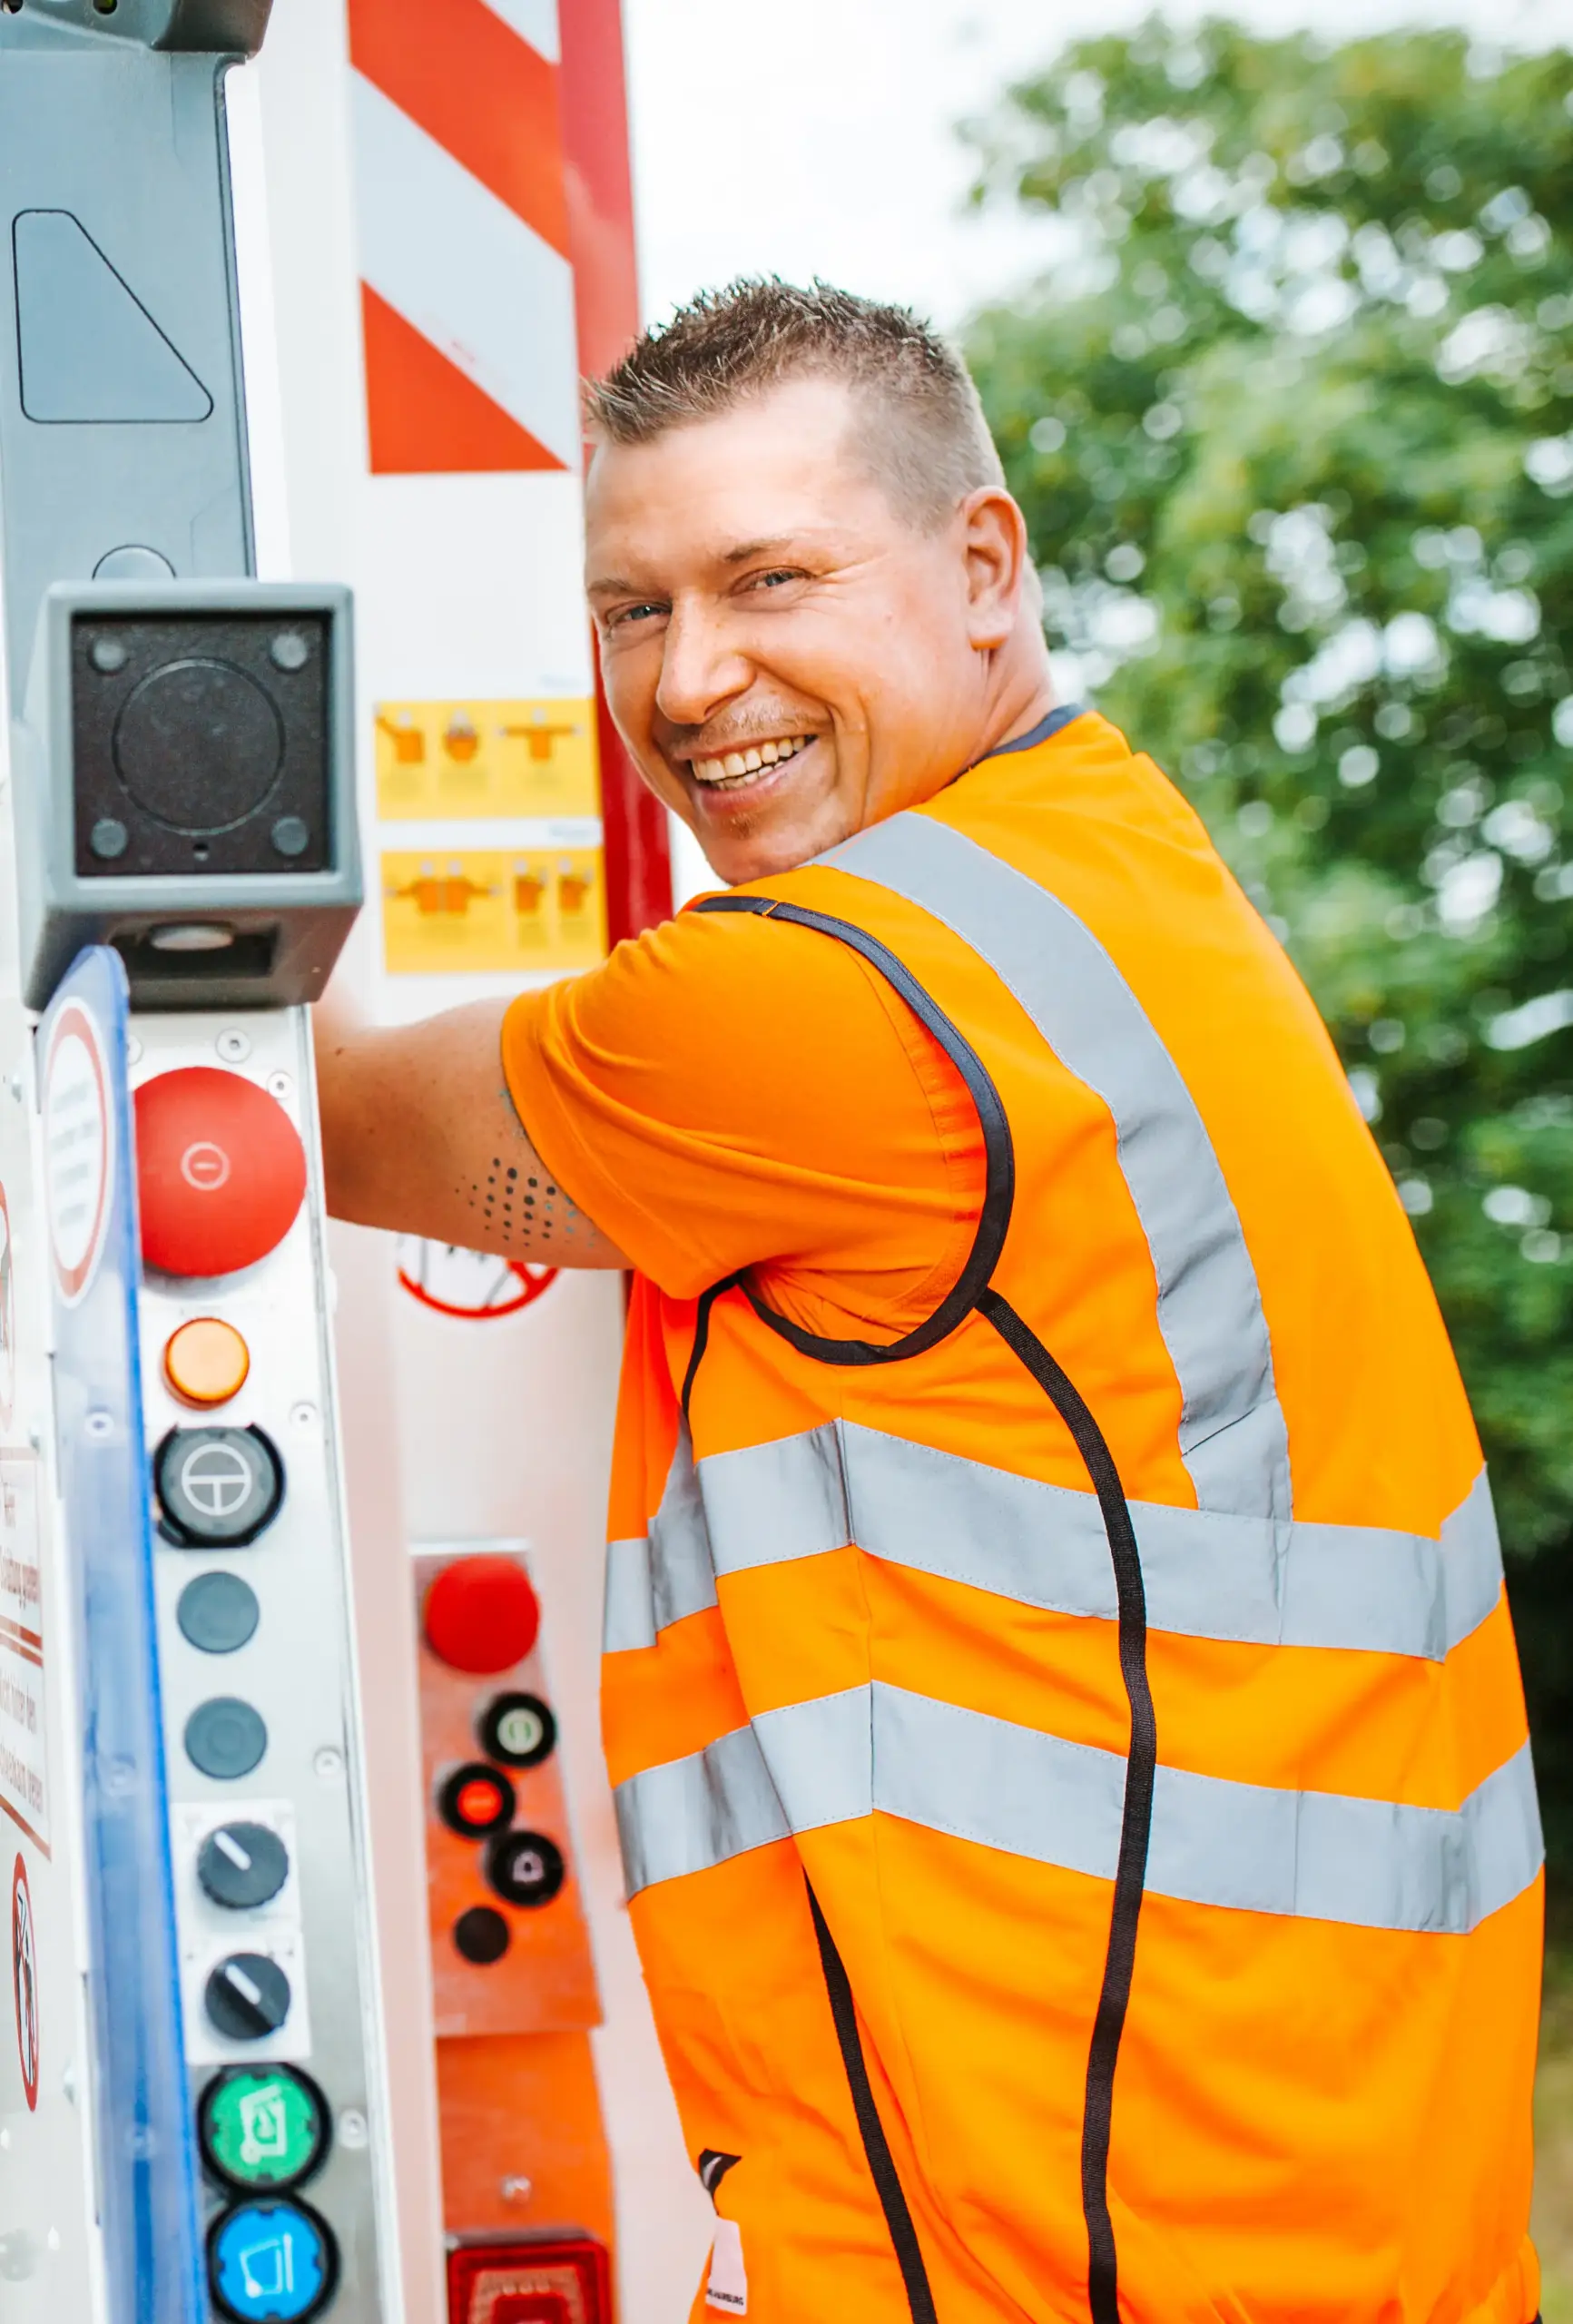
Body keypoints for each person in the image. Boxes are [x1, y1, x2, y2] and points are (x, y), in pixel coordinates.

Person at [317, 281, 1543, 2324]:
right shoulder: (1108, 861)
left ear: (985, 568)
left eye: (768, 579)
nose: (693, 679)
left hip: (1066, 2242)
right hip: (1322, 2204)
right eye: (632, 609)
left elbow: (315, 1119)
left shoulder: (832, 1002)